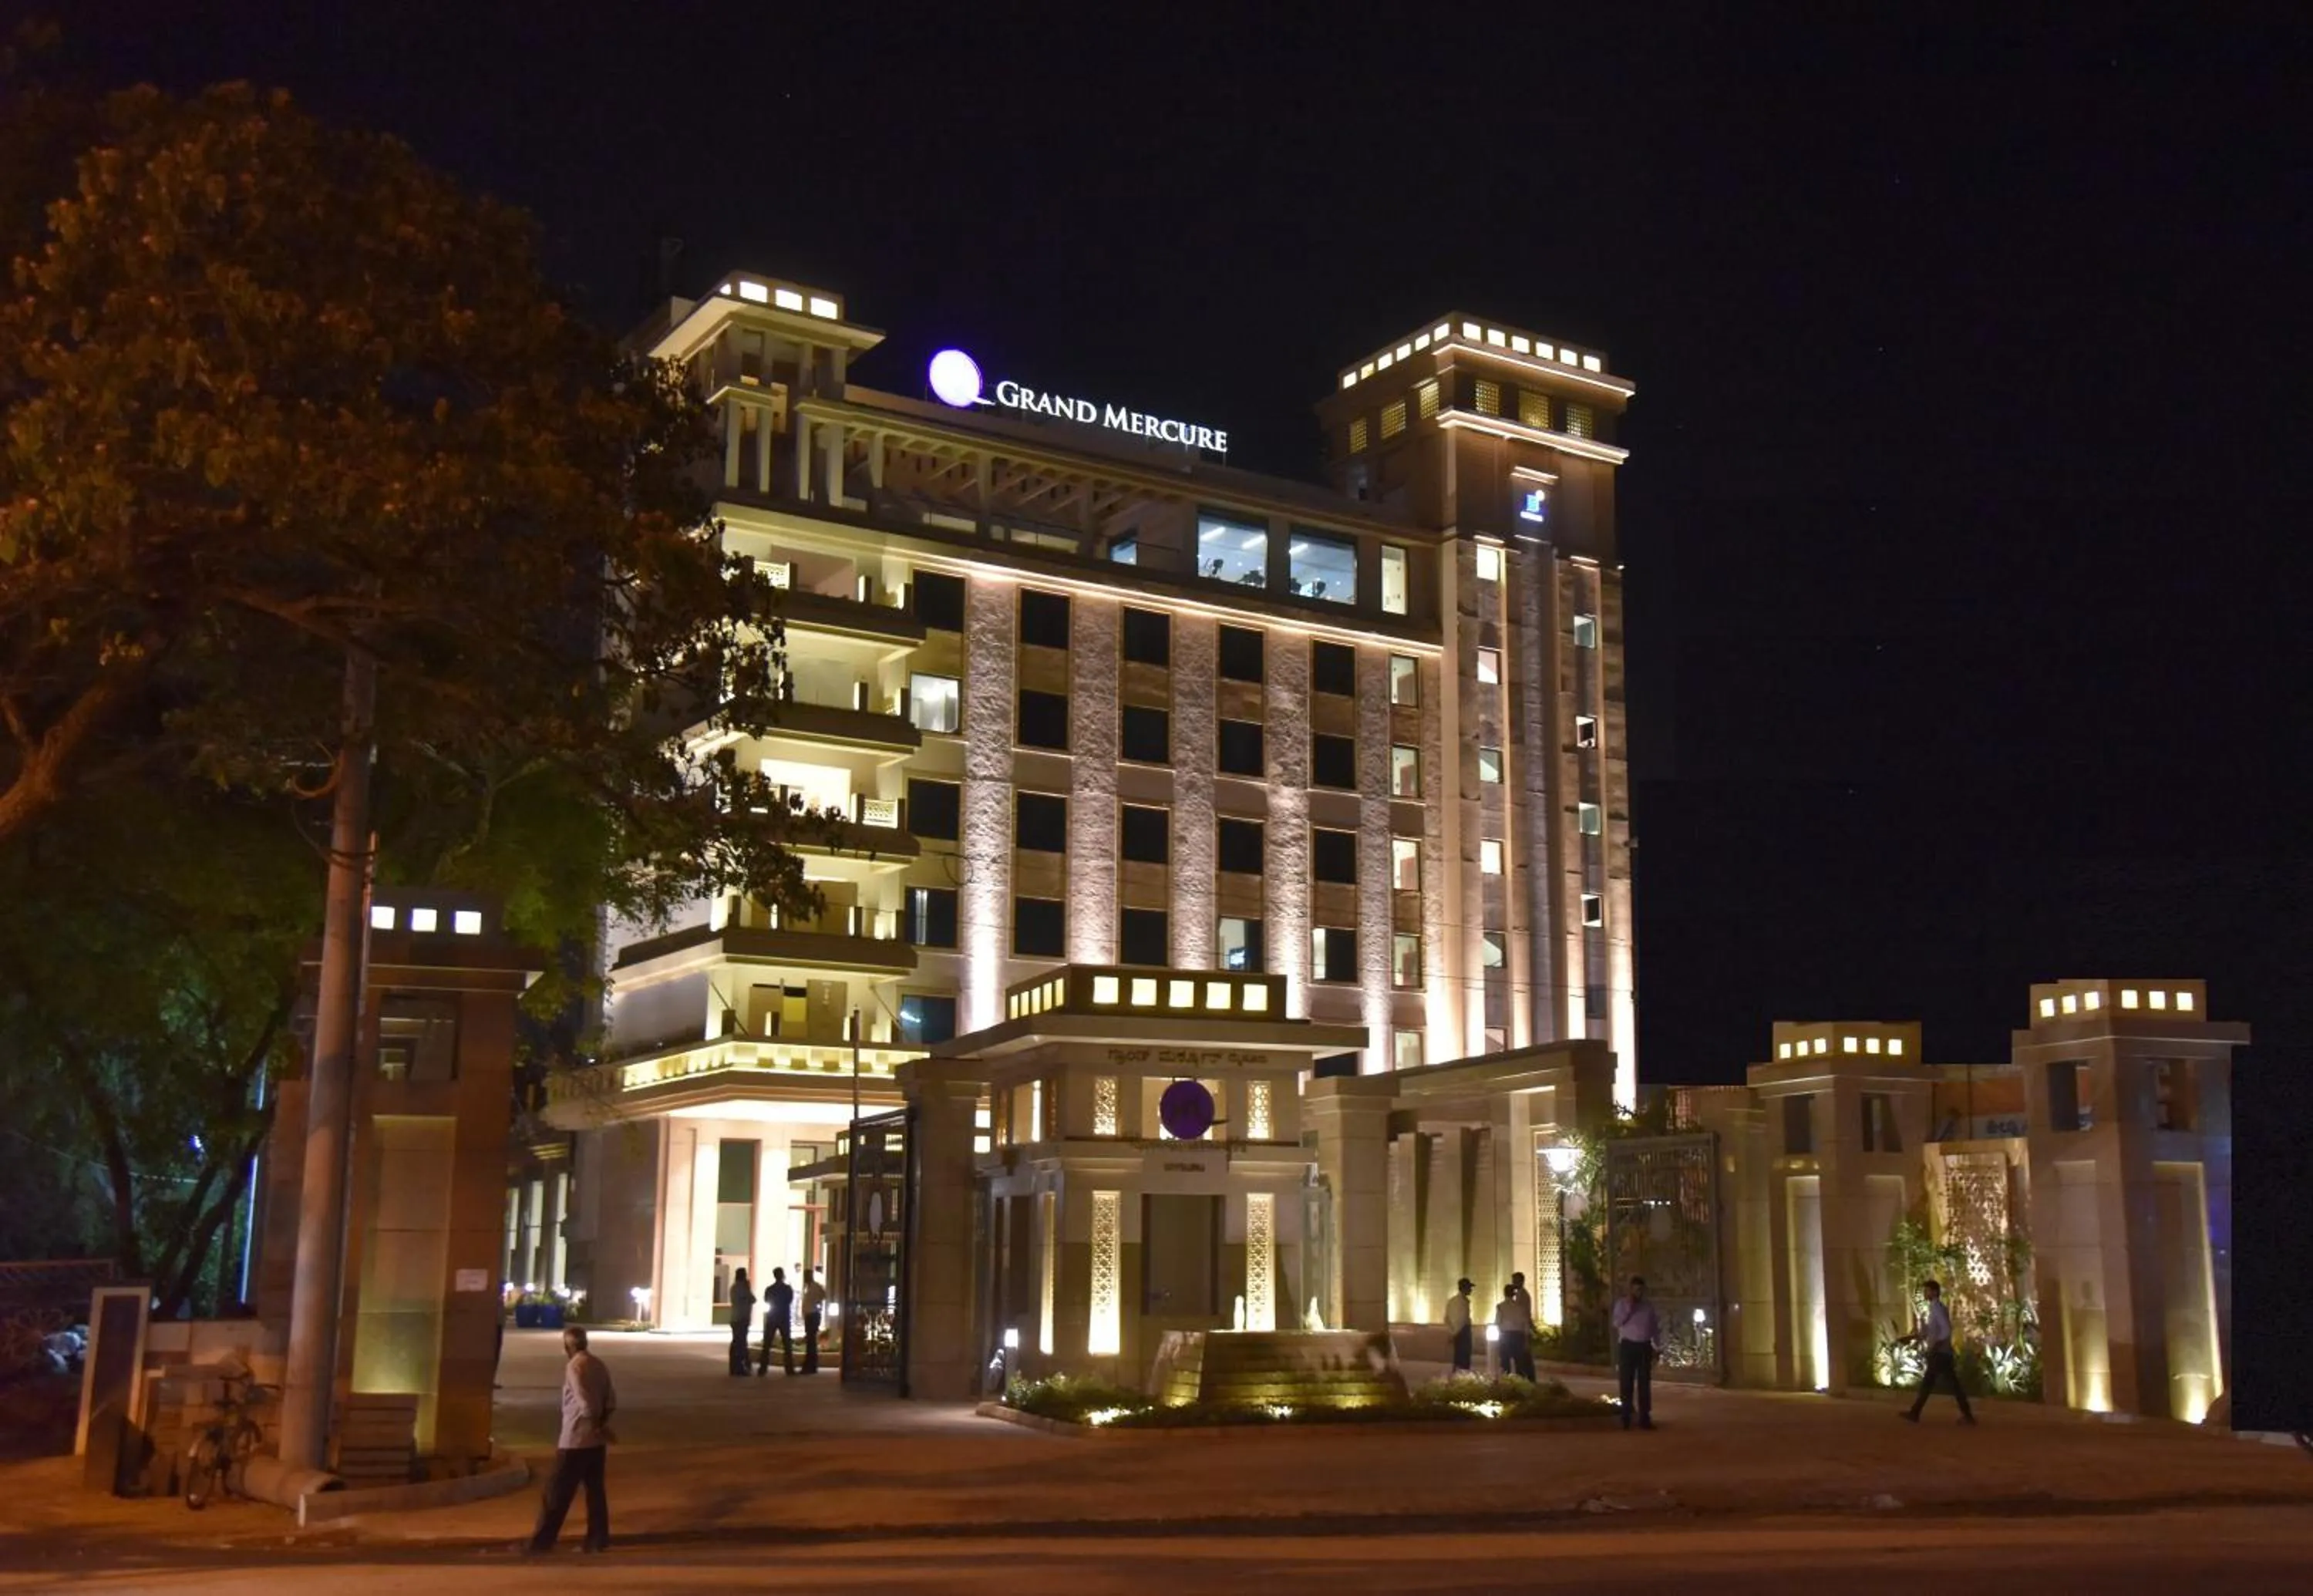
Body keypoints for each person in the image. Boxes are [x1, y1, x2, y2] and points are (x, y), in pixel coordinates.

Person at [526, 1325, 616, 1555]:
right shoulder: (598, 1364)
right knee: (595, 1492)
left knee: (557, 1492)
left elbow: (586, 1404)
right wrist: (602, 1427)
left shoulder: (575, 1367)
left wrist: (595, 1424)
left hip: (575, 1439)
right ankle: (598, 1539)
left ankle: (542, 1541)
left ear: (569, 1347)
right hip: (596, 1443)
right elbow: (611, 1400)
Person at [1901, 1278, 1978, 1426]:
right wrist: (1912, 1337)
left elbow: (1946, 1330)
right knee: (1947, 1385)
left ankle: (1915, 1413)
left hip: (1940, 1354)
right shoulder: (1935, 1308)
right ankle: (1967, 1415)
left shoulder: (1937, 1308)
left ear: (1935, 1292)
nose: (1925, 1293)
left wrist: (1936, 1345)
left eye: (1927, 1291)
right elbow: (1931, 1332)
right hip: (1942, 1353)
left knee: (1932, 1384)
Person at [1611, 1274, 1662, 1430]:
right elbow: (1617, 1323)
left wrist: (1658, 1347)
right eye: (1636, 1289)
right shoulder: (1622, 1304)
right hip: (1628, 1346)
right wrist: (1629, 1308)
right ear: (1630, 1290)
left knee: (1644, 1383)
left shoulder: (1648, 1307)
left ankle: (1644, 1417)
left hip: (1644, 1346)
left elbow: (1654, 1327)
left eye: (1641, 1290)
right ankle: (1625, 1416)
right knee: (1626, 1382)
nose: (1638, 1293)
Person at [756, 1267, 796, 1376]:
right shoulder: (787, 1289)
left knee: (767, 1343)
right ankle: (789, 1369)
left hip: (772, 1316)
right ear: (782, 1275)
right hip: (784, 1317)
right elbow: (790, 1300)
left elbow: (766, 1300)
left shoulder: (770, 1289)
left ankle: (763, 1368)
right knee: (787, 1344)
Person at [1494, 1283, 1536, 1381]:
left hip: (1505, 1336)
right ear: (1514, 1294)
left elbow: (1497, 1323)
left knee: (1505, 1363)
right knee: (1519, 1363)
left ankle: (1506, 1382)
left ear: (1504, 1293)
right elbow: (1525, 1325)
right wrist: (1526, 1340)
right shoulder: (1520, 1307)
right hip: (1518, 1336)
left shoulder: (1501, 1307)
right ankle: (1520, 1383)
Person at [726, 1267, 756, 1377]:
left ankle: (735, 1367)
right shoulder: (742, 1288)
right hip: (741, 1318)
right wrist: (748, 1288)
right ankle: (739, 1367)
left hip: (736, 1318)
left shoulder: (734, 1287)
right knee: (740, 1343)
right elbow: (752, 1299)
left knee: (737, 1342)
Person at [1445, 1278, 1476, 1375]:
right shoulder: (1463, 1302)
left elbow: (1446, 1318)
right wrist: (1455, 1333)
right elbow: (1462, 1320)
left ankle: (1456, 1377)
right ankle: (1463, 1379)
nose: (1471, 1290)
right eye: (1469, 1288)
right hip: (1463, 1332)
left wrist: (1451, 1332)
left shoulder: (1451, 1301)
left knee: (1458, 1358)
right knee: (1464, 1358)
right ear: (1464, 1288)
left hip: (1456, 1331)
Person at [799, 1266, 826, 1374]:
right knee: (810, 1340)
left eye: (806, 1276)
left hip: (813, 1315)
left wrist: (817, 1303)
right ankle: (810, 1364)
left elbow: (823, 1295)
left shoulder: (816, 1286)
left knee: (811, 1341)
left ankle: (810, 1365)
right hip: (809, 1315)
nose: (805, 1278)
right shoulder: (808, 1287)